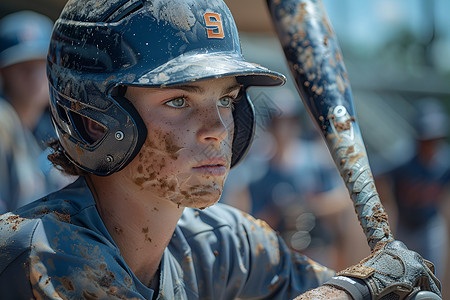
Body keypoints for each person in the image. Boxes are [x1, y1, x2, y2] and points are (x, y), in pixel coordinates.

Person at [0, 1, 441, 299]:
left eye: (227, 100)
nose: (216, 129)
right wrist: (349, 292)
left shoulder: (219, 244)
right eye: (178, 100)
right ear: (94, 119)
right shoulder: (37, 250)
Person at [0, 11, 73, 213]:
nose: (33, 77)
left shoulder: (40, 127)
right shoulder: (3, 120)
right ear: (3, 71)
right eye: (22, 66)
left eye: (40, 64)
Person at [376, 98, 450, 292]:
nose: (430, 144)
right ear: (417, 138)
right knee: (402, 282)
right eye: (426, 139)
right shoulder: (403, 160)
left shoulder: (444, 162)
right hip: (405, 228)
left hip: (430, 227)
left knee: (432, 282)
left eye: (435, 139)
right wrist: (385, 201)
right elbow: (376, 174)